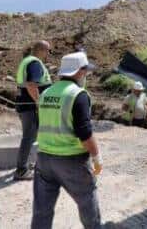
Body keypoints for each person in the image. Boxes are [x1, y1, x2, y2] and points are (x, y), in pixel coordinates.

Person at [32, 52, 102, 229]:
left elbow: (41, 123)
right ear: (79, 71)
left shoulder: (46, 93)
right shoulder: (78, 95)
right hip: (72, 160)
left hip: (44, 159)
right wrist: (96, 157)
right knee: (87, 199)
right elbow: (84, 133)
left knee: (42, 210)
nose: (86, 75)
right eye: (85, 71)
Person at [14, 40, 52, 181]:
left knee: (33, 136)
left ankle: (28, 163)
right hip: (30, 106)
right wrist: (38, 102)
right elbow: (31, 85)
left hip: (25, 104)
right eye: (48, 50)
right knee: (29, 136)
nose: (49, 54)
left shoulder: (27, 61)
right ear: (41, 50)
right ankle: (21, 170)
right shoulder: (34, 63)